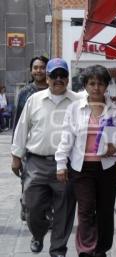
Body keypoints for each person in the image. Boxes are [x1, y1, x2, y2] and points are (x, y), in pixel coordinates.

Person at [55, 64, 116, 257]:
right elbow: (66, 137)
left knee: (105, 211)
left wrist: (115, 148)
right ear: (85, 86)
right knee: (86, 209)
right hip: (81, 168)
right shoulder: (75, 109)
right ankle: (86, 250)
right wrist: (61, 164)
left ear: (107, 86)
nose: (96, 87)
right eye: (91, 83)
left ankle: (101, 249)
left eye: (100, 83)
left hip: (108, 168)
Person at [11, 58, 78, 257]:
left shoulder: (78, 101)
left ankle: (58, 249)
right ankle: (38, 234)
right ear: (47, 78)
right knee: (32, 207)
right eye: (54, 76)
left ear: (67, 78)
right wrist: (16, 155)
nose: (58, 79)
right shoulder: (35, 99)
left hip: (66, 165)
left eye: (62, 76)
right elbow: (22, 128)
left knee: (64, 211)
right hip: (36, 163)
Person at [12, 55, 49, 221]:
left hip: (50, 146)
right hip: (29, 147)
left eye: (42, 67)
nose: (39, 70)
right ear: (31, 70)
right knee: (28, 182)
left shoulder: (54, 89)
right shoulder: (25, 93)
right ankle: (26, 205)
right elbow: (18, 123)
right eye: (36, 67)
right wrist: (16, 154)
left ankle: (47, 213)